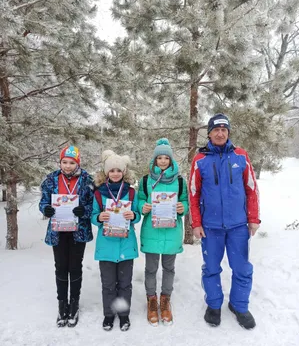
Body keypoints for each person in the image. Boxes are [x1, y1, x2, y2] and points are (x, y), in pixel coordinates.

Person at [189, 113, 260, 330]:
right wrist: (196, 223)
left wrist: (253, 218)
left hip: (238, 225)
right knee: (211, 268)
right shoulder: (200, 159)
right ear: (209, 133)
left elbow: (251, 189)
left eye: (224, 130)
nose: (220, 133)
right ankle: (214, 304)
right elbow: (193, 193)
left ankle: (239, 305)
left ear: (228, 133)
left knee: (242, 268)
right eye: (216, 129)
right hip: (211, 227)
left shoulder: (241, 156)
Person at [39, 146, 93, 327]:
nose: (68, 166)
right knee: (61, 267)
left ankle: (74, 303)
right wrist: (45, 209)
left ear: (77, 162)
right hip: (58, 230)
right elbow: (44, 201)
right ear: (60, 162)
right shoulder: (51, 179)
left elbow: (94, 205)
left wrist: (83, 210)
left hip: (78, 231)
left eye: (72, 162)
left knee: (75, 267)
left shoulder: (87, 180)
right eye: (64, 162)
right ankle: (62, 303)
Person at [138, 138, 189, 326]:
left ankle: (165, 299)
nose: (162, 161)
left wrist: (183, 207)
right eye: (158, 158)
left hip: (171, 231)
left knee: (169, 268)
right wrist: (142, 206)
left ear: (171, 160)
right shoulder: (145, 180)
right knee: (151, 269)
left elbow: (186, 201)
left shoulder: (180, 181)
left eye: (165, 158)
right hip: (152, 231)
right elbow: (139, 200)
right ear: (154, 160)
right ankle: (151, 300)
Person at [91, 150, 140, 332]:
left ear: (124, 172)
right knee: (108, 284)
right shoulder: (98, 194)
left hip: (126, 245)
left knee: (125, 283)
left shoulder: (131, 192)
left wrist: (133, 214)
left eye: (119, 170)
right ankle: (109, 315)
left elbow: (138, 215)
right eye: (112, 170)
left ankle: (124, 314)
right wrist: (99, 217)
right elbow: (93, 215)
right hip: (107, 246)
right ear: (106, 173)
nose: (115, 174)